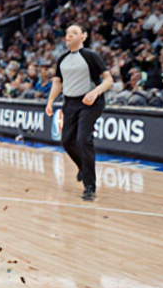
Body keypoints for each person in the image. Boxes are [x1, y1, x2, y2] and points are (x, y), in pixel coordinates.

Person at [45, 23, 114, 202]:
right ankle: (83, 167)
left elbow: (108, 80)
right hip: (70, 103)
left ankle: (90, 186)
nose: (69, 36)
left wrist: (95, 92)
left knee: (83, 140)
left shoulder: (91, 56)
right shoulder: (62, 59)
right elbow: (57, 83)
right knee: (67, 141)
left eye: (74, 33)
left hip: (90, 102)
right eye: (67, 33)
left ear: (83, 36)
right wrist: (50, 101)